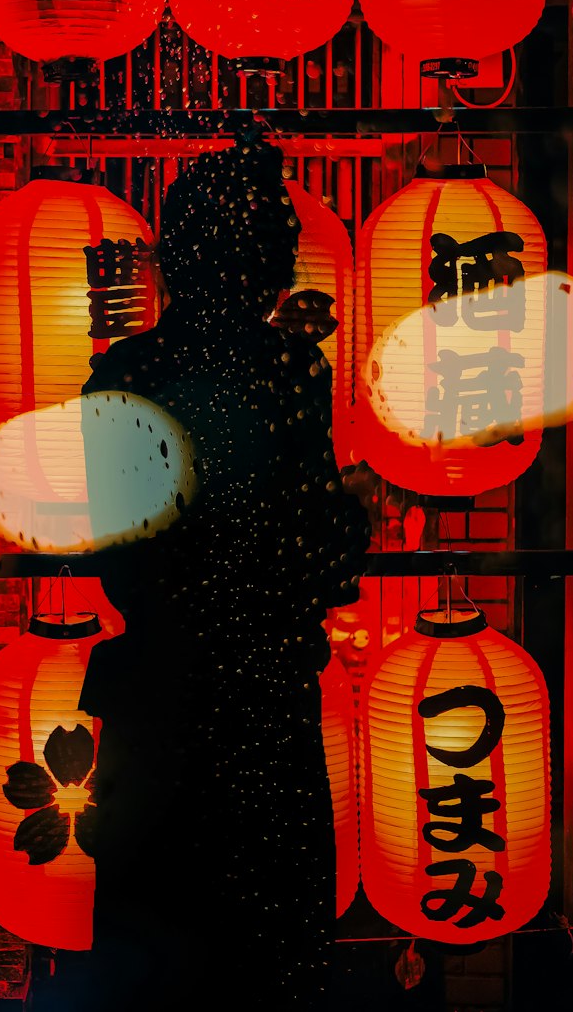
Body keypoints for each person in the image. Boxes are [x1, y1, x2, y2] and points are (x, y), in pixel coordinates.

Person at [69, 130, 370, 1011]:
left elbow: (112, 545)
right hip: (259, 710)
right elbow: (311, 551)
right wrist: (357, 515)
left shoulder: (123, 372)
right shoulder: (284, 369)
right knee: (262, 960)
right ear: (260, 262)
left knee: (150, 951)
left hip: (153, 701)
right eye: (277, 246)